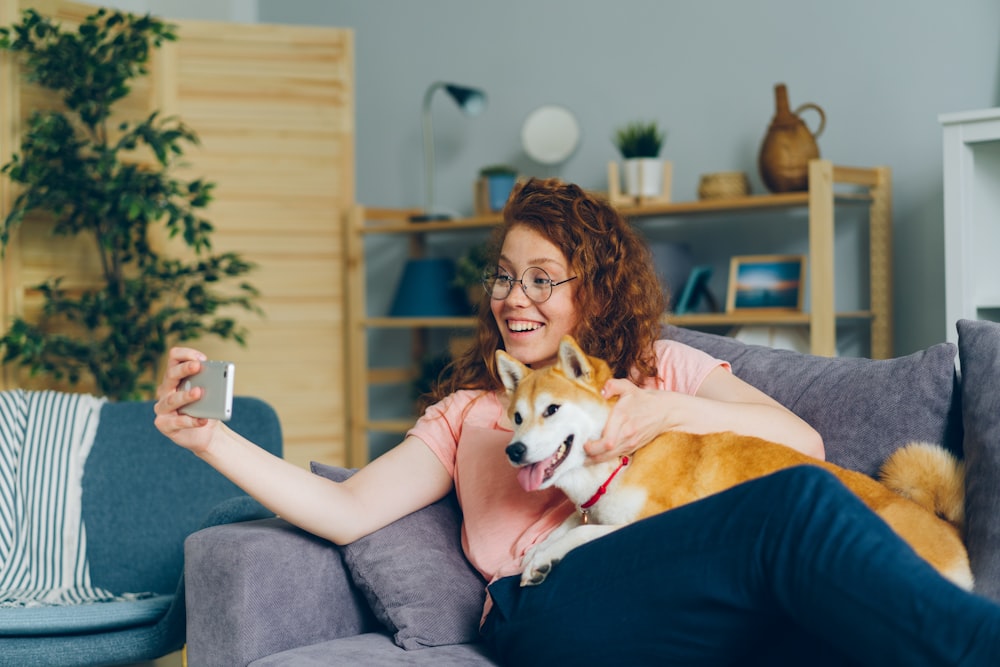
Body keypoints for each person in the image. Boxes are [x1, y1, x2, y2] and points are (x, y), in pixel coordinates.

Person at [155, 178, 1000, 666]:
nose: (513, 297)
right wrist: (210, 437)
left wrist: (663, 409)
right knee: (794, 509)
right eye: (503, 276)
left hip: (685, 588)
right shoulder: (471, 416)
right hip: (549, 604)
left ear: (590, 291)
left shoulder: (662, 369)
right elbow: (341, 510)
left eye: (542, 278)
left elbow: (802, 442)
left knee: (815, 601)